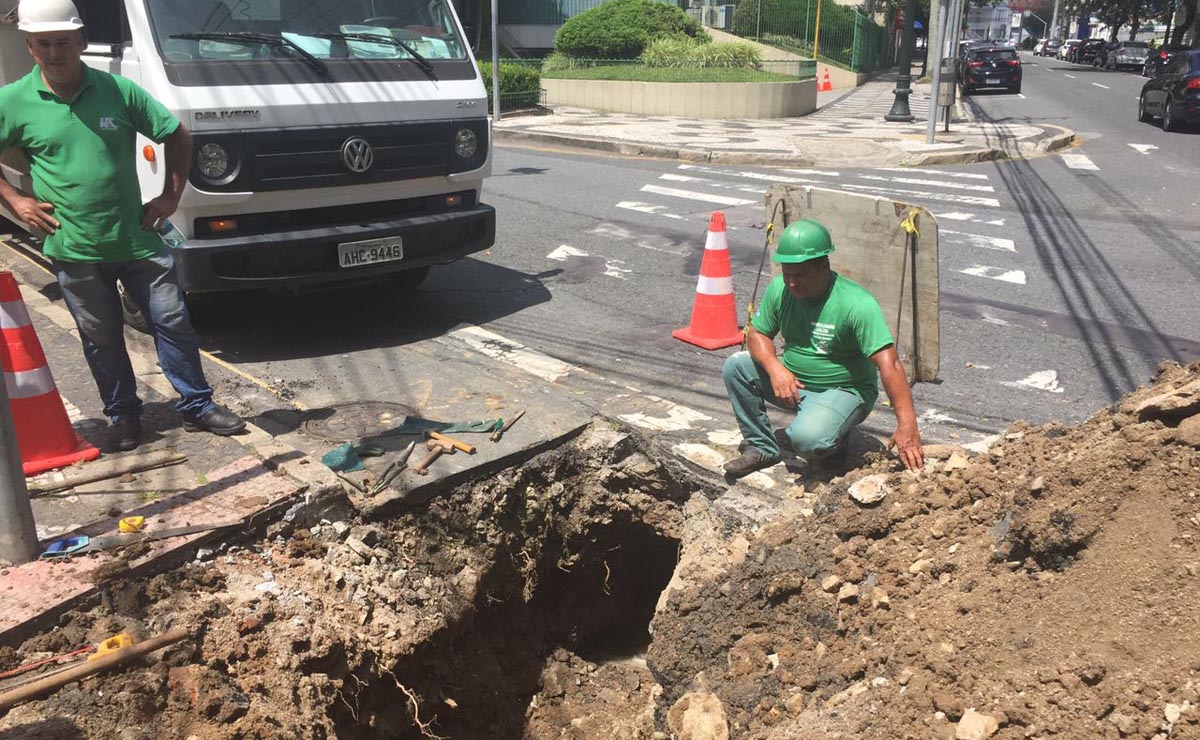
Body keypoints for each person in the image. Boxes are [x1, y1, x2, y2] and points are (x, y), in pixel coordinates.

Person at [0, 0, 245, 451]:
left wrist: (171, 196)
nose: (55, 53)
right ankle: (123, 415)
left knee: (172, 320)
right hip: (73, 244)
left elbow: (175, 133)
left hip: (137, 237)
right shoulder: (12, 101)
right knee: (101, 336)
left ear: (81, 42)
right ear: (30, 47)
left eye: (63, 42)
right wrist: (15, 199)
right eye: (43, 44)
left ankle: (196, 406)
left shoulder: (117, 90)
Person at [721, 219, 924, 478]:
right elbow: (757, 334)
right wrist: (776, 369)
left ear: (824, 267)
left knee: (808, 440)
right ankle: (762, 447)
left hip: (844, 390)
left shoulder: (856, 304)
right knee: (736, 366)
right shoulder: (780, 290)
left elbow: (890, 364)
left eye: (801, 275)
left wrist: (907, 424)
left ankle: (834, 443)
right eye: (788, 275)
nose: (792, 283)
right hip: (793, 383)